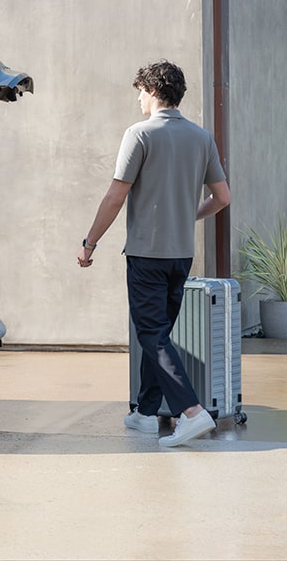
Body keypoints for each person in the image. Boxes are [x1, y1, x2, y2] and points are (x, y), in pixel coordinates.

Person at [77, 60, 231, 447]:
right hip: (181, 255)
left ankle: (191, 412)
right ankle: (146, 413)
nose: (139, 101)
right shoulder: (202, 137)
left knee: (151, 334)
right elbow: (222, 198)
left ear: (152, 91)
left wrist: (90, 241)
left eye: (140, 93)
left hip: (147, 254)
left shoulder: (139, 134)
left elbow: (116, 195)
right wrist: (187, 216)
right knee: (157, 334)